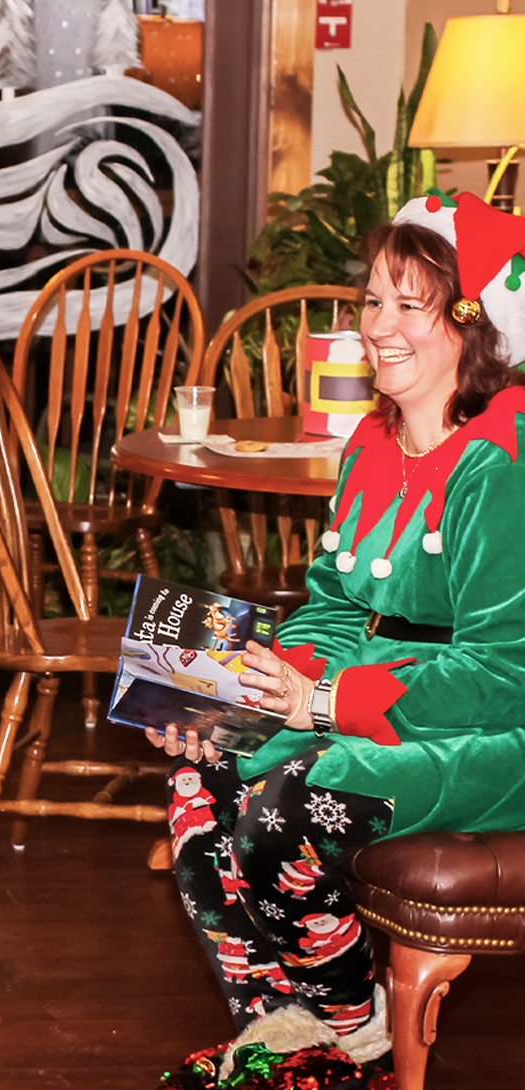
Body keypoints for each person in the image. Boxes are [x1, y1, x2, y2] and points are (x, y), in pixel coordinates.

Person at [151, 191, 525, 1084]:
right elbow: (329, 605)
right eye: (371, 301)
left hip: (483, 732)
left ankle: (348, 1029)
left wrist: (321, 702)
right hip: (364, 694)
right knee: (199, 770)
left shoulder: (503, 459)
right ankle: (287, 1023)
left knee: (285, 807)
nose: (378, 325)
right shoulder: (369, 443)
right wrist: (245, 686)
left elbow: (503, 671)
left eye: (410, 303)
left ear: (472, 326)